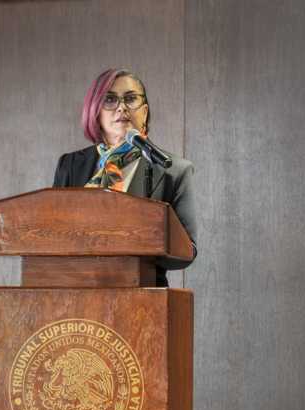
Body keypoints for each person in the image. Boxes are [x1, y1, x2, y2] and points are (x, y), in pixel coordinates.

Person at [53, 68, 197, 286]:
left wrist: (142, 241)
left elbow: (187, 251)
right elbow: (52, 234)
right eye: (110, 99)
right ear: (96, 112)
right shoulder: (70, 165)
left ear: (145, 112)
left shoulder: (173, 170)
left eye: (130, 99)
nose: (121, 107)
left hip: (142, 296)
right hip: (78, 292)